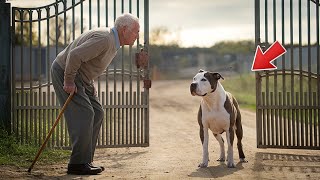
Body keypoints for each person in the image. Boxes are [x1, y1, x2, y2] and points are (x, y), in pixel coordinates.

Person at [50, 13, 140, 175]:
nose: (137, 35)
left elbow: (88, 63)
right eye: (136, 31)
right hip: (66, 70)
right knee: (85, 113)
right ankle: (77, 164)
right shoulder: (105, 39)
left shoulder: (113, 41)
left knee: (97, 112)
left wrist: (89, 84)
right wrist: (69, 81)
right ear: (124, 29)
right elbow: (75, 55)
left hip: (81, 76)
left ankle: (85, 160)